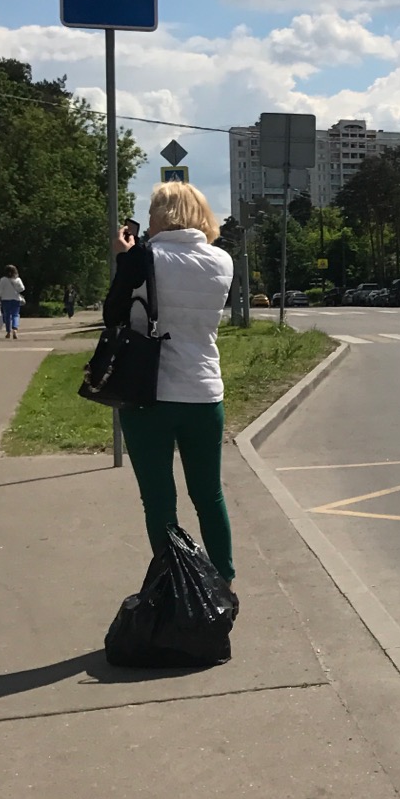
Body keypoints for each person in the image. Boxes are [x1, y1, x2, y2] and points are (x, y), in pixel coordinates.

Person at [104, 183, 237, 585]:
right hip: (203, 392)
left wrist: (124, 258)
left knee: (160, 501)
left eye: (151, 212)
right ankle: (224, 585)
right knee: (209, 495)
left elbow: (113, 315)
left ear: (162, 215)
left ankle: (175, 589)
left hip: (148, 393)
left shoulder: (143, 257)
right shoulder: (222, 260)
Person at [0, 265, 26, 339]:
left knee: (7, 315)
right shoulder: (17, 279)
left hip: (5, 299)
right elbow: (22, 288)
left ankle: (8, 332)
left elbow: (1, 290)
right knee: (15, 315)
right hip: (15, 299)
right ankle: (15, 329)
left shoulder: (3, 279)